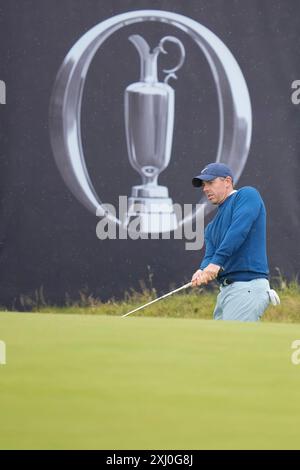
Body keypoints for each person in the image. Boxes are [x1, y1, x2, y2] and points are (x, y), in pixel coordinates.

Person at [191, 162, 279, 322]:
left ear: (227, 182)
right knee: (220, 345)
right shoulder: (211, 227)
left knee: (234, 345)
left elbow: (238, 230)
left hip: (247, 287)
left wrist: (216, 263)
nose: (205, 189)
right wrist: (202, 270)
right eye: (204, 185)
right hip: (226, 292)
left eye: (210, 183)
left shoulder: (247, 195)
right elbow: (210, 256)